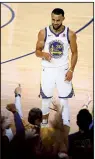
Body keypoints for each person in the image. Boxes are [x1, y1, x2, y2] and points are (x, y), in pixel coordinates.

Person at [35, 8, 78, 139]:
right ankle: (43, 128)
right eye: (53, 19)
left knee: (64, 101)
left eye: (58, 20)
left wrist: (71, 70)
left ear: (63, 19)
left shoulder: (70, 34)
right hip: (47, 70)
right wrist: (43, 54)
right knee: (45, 100)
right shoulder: (43, 32)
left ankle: (65, 132)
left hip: (63, 70)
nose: (55, 22)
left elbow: (75, 53)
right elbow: (37, 51)